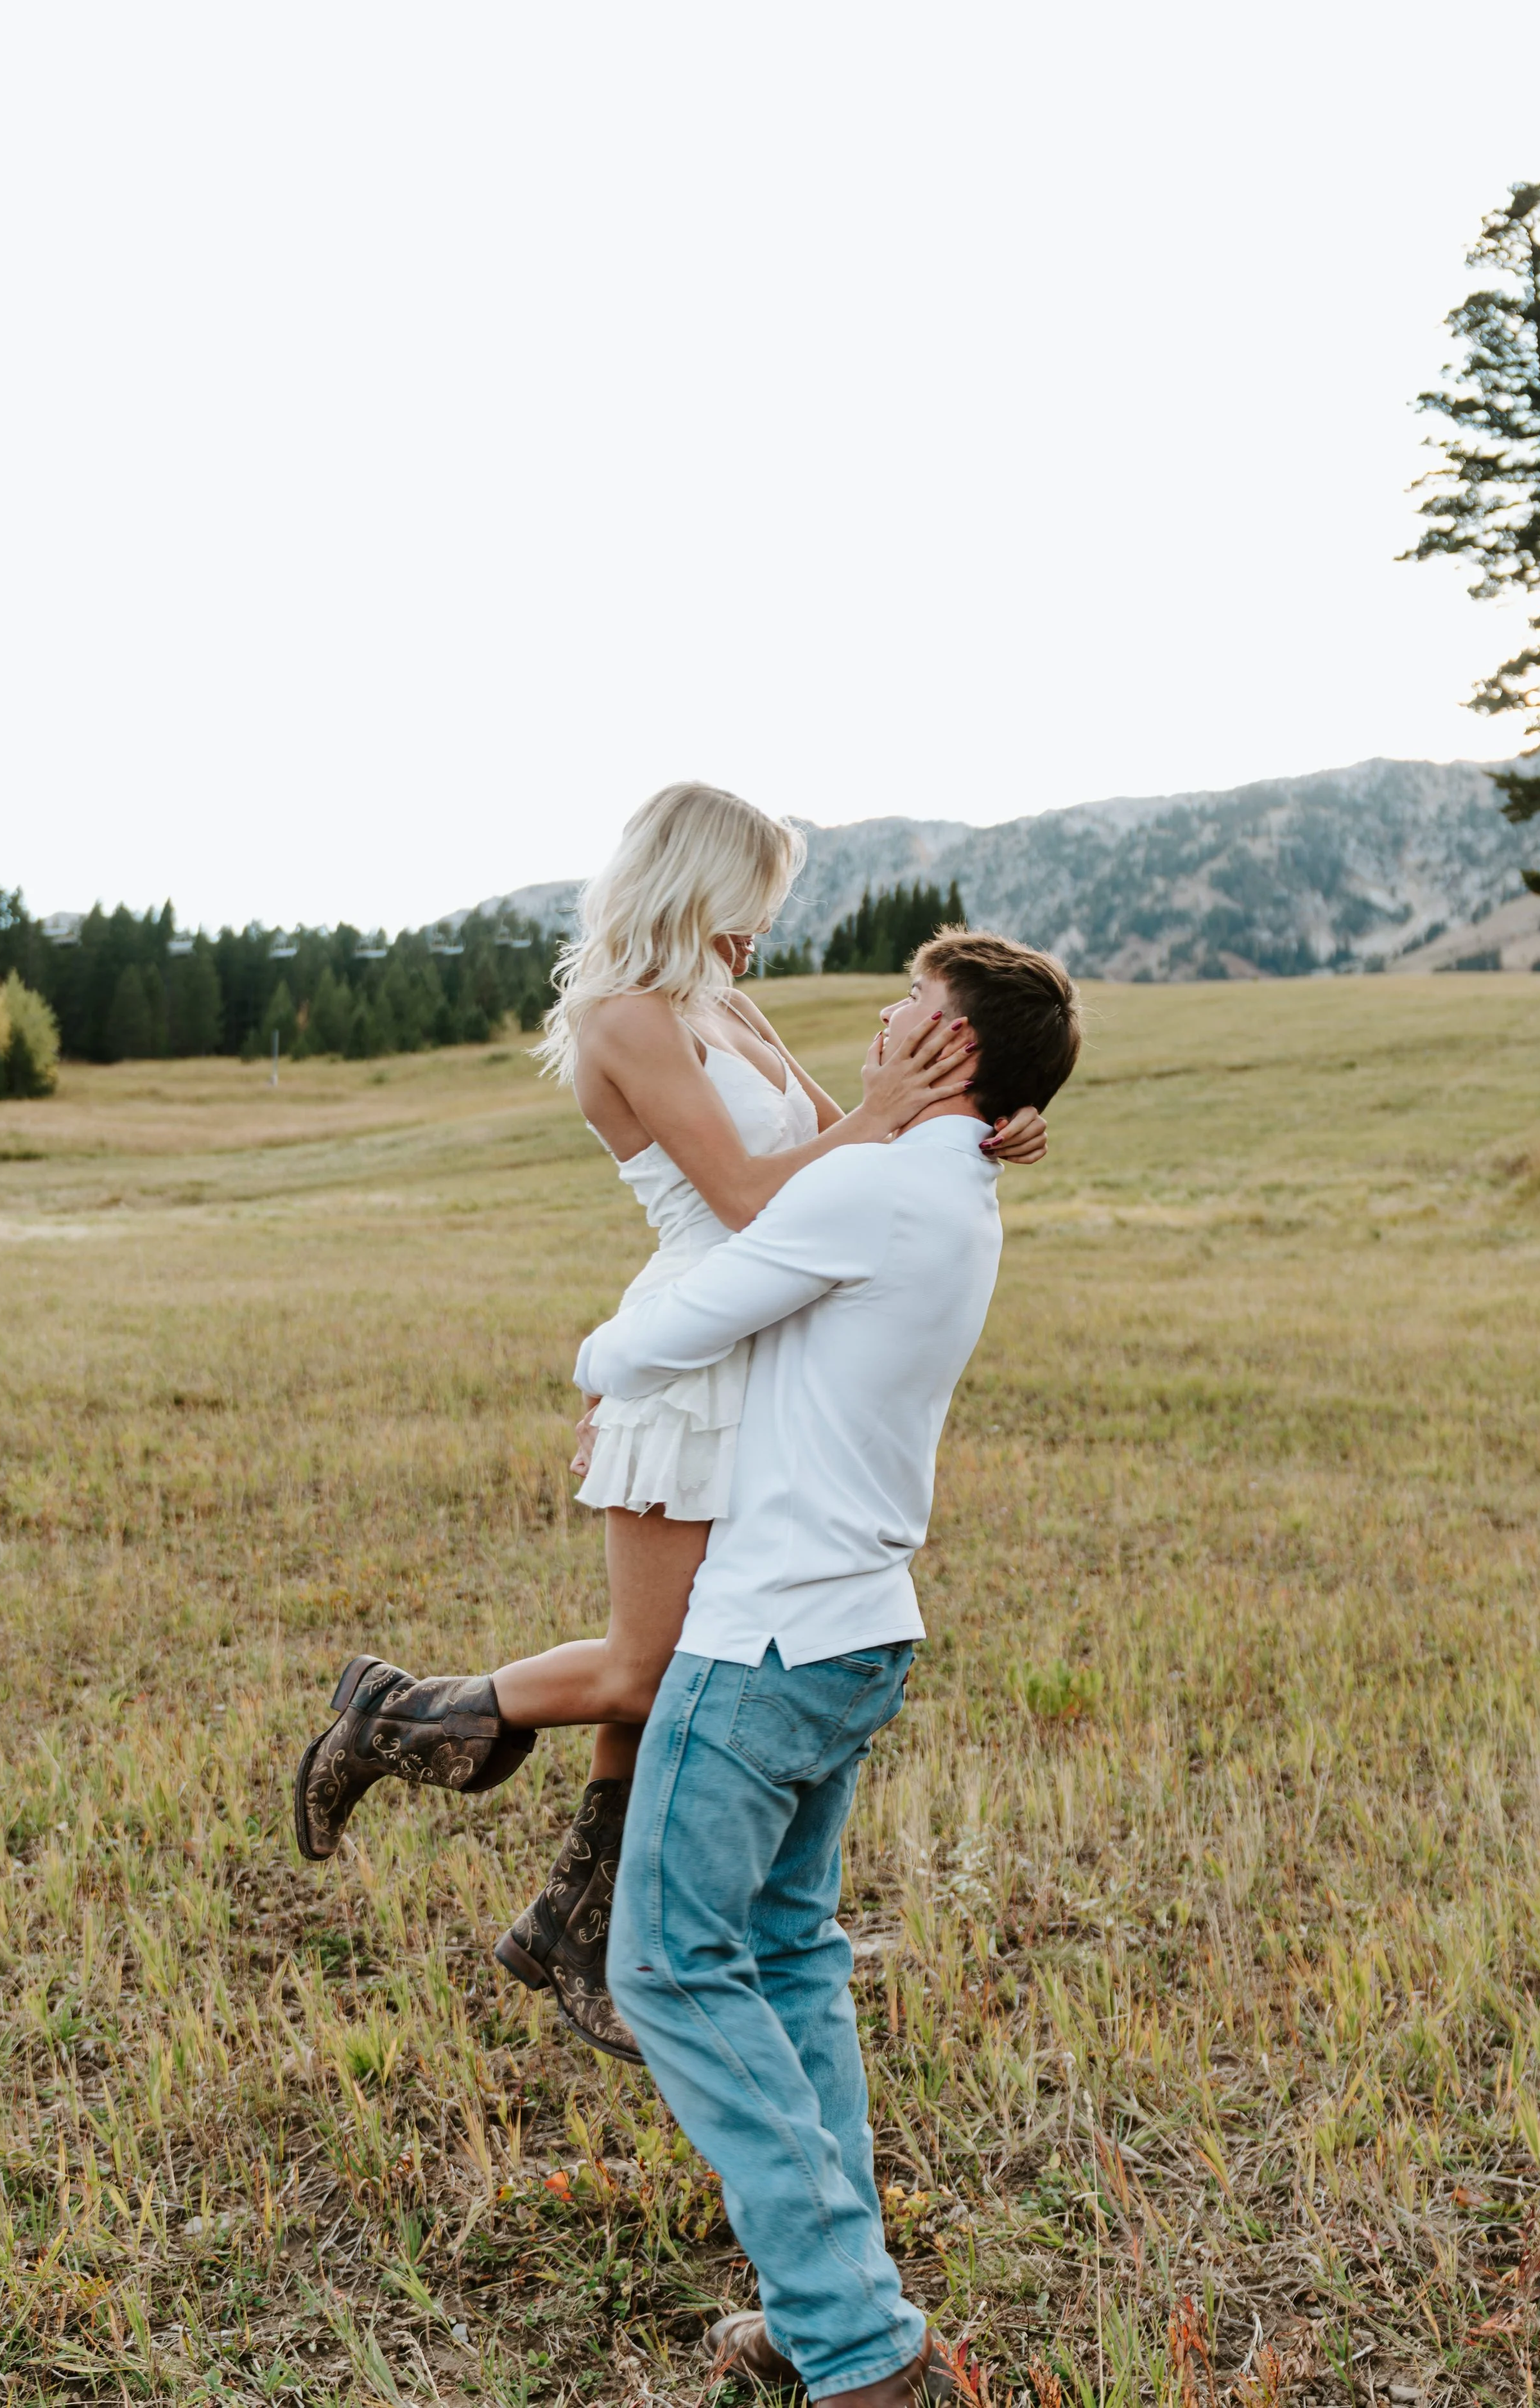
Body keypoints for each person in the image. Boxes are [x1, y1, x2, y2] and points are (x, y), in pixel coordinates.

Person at [292, 785, 1051, 2055]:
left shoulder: (725, 1006)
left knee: (680, 1665)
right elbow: (757, 1200)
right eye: (752, 901)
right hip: (690, 1352)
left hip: (762, 1358)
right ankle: (388, 1719)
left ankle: (573, 1926)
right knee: (647, 1667)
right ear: (696, 883)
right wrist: (875, 1120)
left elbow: (847, 1147)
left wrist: (974, 1131)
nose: (761, 930)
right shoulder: (623, 1019)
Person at [584, 928, 1083, 2408]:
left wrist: (608, 1340)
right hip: (856, 1628)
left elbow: (640, 1349)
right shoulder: (958, 1177)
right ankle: (832, 2318)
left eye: (912, 1012)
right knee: (791, 1960)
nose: (882, 1017)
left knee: (669, 1966)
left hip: (766, 1639)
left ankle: (857, 2349)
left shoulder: (873, 1183)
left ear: (956, 1057)